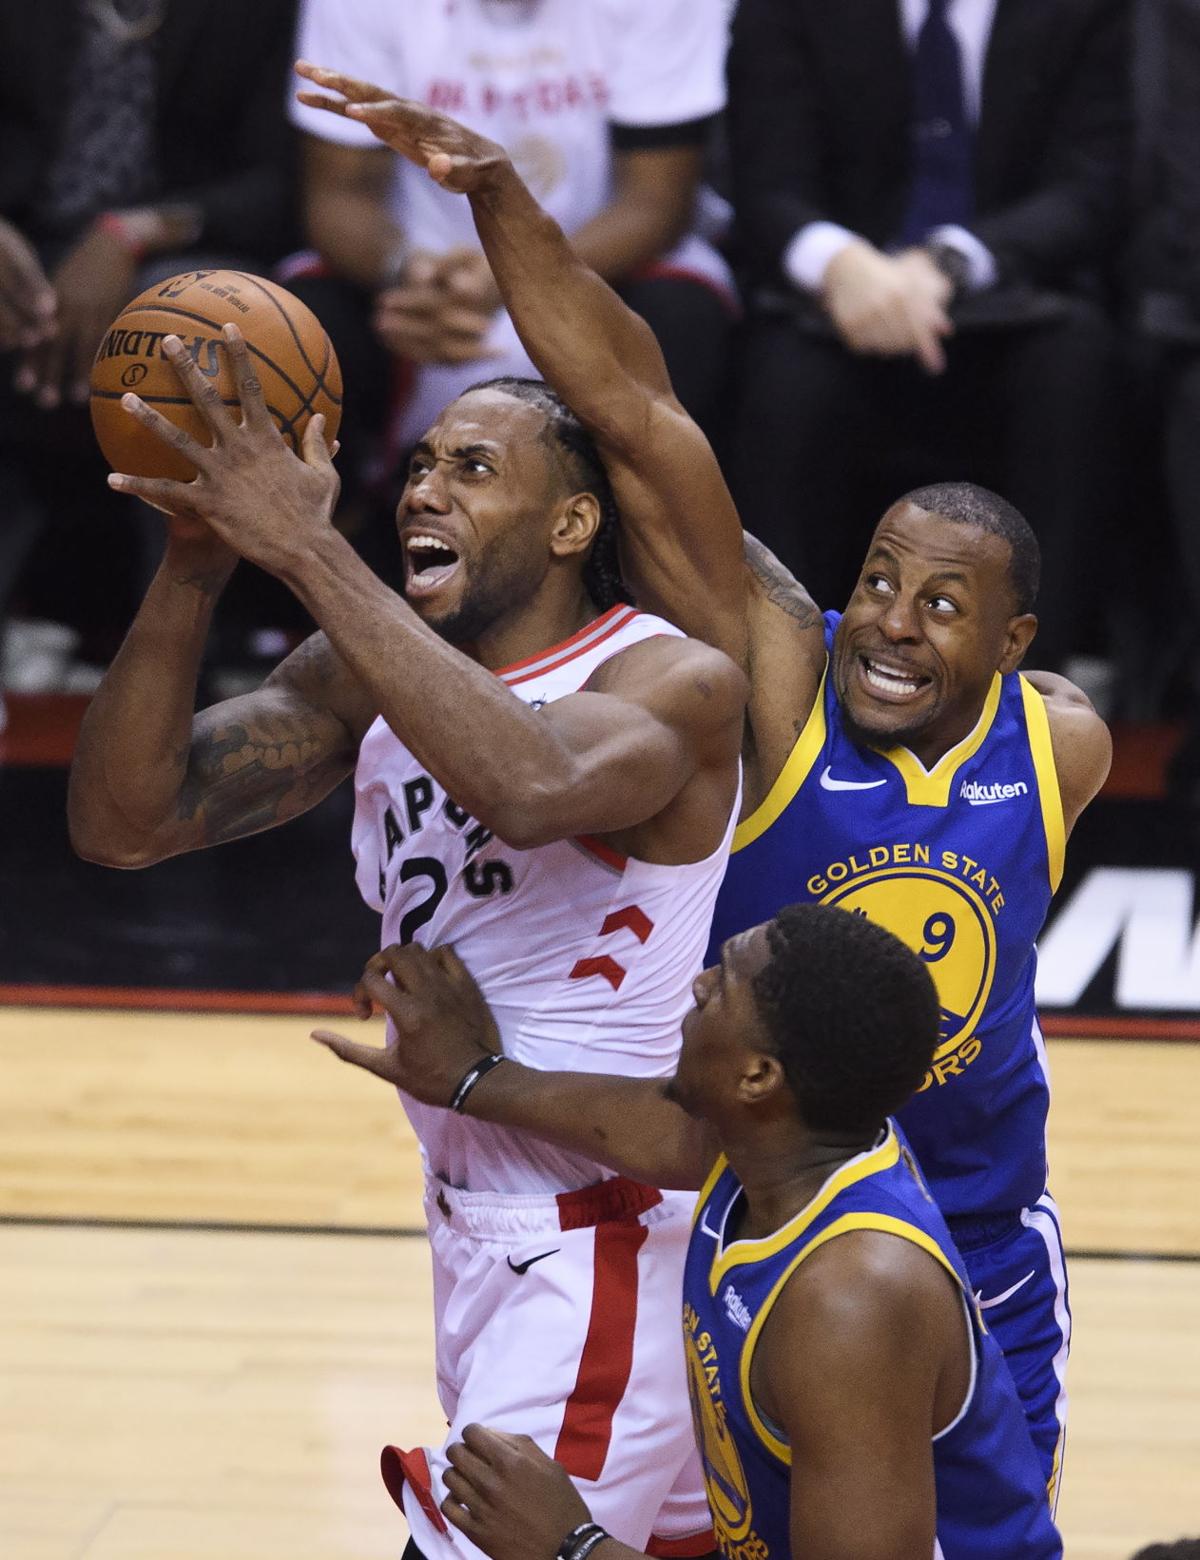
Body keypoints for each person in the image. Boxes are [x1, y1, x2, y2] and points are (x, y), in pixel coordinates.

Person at [290, 72, 1115, 1502]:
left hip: (982, 1241)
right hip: (774, 1224)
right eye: (875, 586)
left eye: (942, 607)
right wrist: (503, 203)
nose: (895, 628)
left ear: (1013, 644)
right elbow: (636, 410)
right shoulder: (782, 698)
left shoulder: (1061, 744)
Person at [66, 77, 748, 1560]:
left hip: (613, 1245)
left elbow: (536, 784)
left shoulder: (669, 680)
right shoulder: (365, 667)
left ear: (574, 525)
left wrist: (308, 556)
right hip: (477, 1238)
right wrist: (194, 564)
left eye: (476, 468)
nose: (427, 486)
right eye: (424, 461)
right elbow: (129, 824)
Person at [311, 905, 1063, 1560]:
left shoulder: (849, 1303)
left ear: (758, 1077)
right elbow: (661, 1132)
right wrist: (474, 1076)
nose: (699, 982)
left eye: (724, 981)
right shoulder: (788, 1143)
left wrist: (572, 1545)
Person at [722, 0, 1132, 670]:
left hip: (1011, 295)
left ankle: (1036, 699)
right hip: (833, 310)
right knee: (783, 382)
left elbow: (1093, 186)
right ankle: (783, 691)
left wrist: (949, 262)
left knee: (1075, 369)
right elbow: (763, 182)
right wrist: (840, 263)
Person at [286, 0, 735, 493]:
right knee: (292, 327)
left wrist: (508, 275)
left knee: (683, 313)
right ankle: (341, 531)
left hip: (595, 266)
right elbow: (337, 197)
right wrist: (410, 273)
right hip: (423, 281)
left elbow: (654, 204)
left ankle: (641, 543)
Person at [0, 0, 301, 714]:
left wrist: (131, 232)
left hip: (176, 244)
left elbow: (281, 189)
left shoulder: (260, 14)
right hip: (18, 237)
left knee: (188, 332)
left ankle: (168, 681)